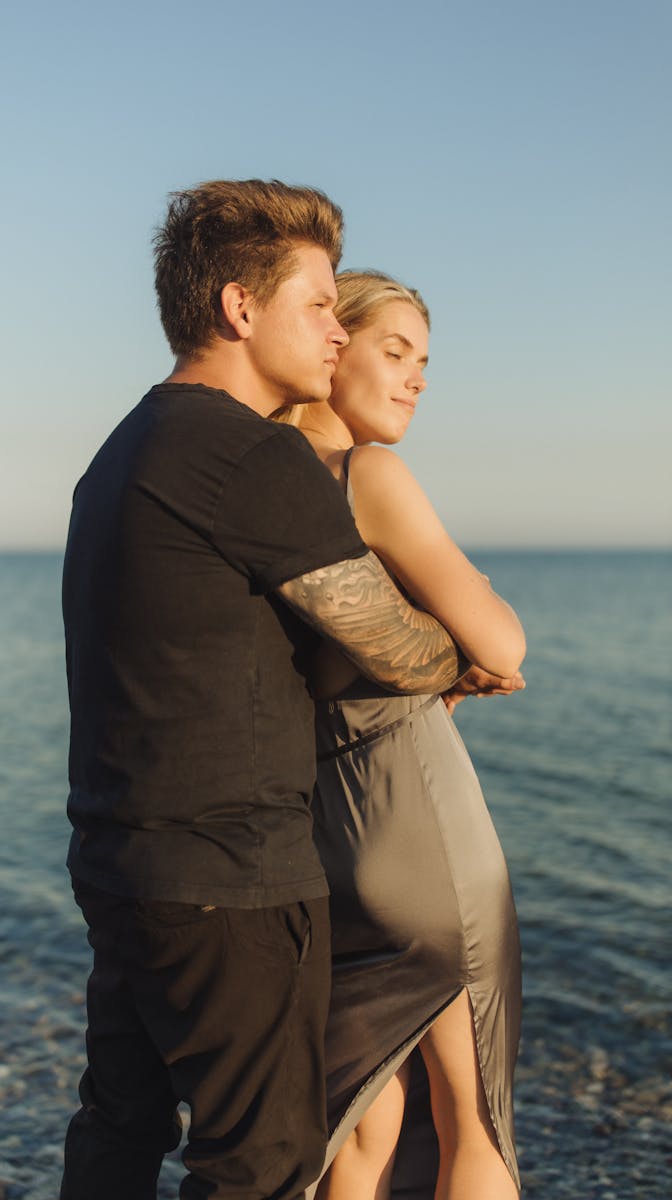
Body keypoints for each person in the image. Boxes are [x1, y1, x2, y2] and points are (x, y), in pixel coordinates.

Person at [60, 184, 467, 1200]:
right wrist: (455, 648)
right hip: (230, 882)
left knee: (118, 1134)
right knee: (260, 1161)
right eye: (321, 304)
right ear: (240, 309)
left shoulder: (123, 450)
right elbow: (392, 646)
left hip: (122, 863)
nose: (337, 333)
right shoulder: (250, 452)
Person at [277, 270, 526, 1200]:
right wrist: (472, 628)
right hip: (422, 832)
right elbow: (504, 639)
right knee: (475, 1122)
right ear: (331, 348)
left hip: (323, 837)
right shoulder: (363, 476)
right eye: (395, 352)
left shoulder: (260, 492)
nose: (417, 379)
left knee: (364, 1119)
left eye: (425, 362)